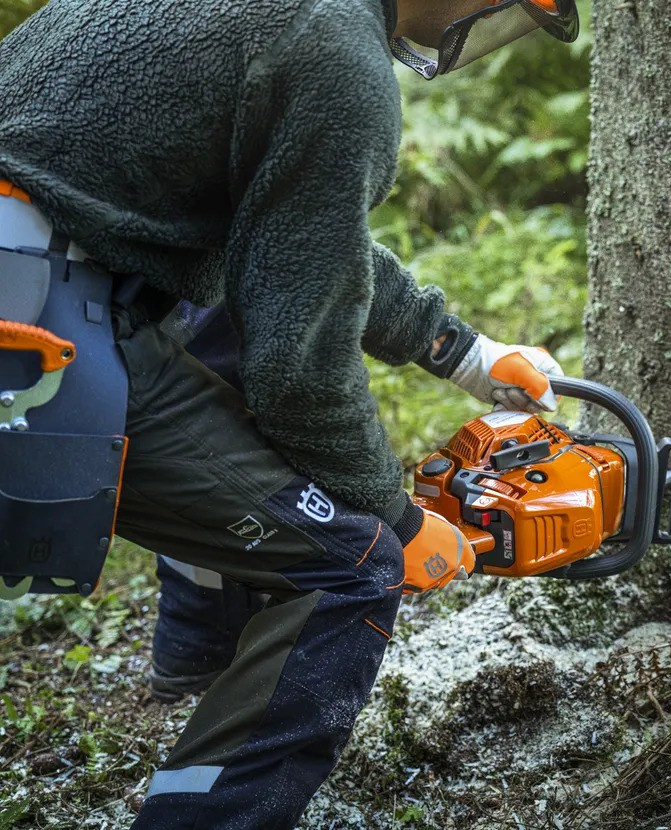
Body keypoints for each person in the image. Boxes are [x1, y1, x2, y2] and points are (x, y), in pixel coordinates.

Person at [0, 0, 579, 826]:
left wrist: (462, 352)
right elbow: (295, 367)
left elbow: (300, 239)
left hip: (52, 276)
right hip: (35, 319)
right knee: (349, 567)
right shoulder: (333, 46)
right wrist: (395, 519)